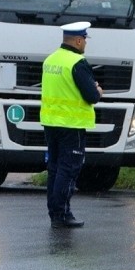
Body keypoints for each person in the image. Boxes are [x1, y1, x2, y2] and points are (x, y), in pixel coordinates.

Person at [40, 21, 103, 228]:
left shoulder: (50, 60)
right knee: (68, 169)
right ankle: (62, 214)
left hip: (51, 123)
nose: (85, 43)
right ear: (78, 41)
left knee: (55, 169)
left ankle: (54, 213)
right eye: (85, 39)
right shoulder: (77, 62)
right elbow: (91, 96)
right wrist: (98, 91)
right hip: (71, 125)